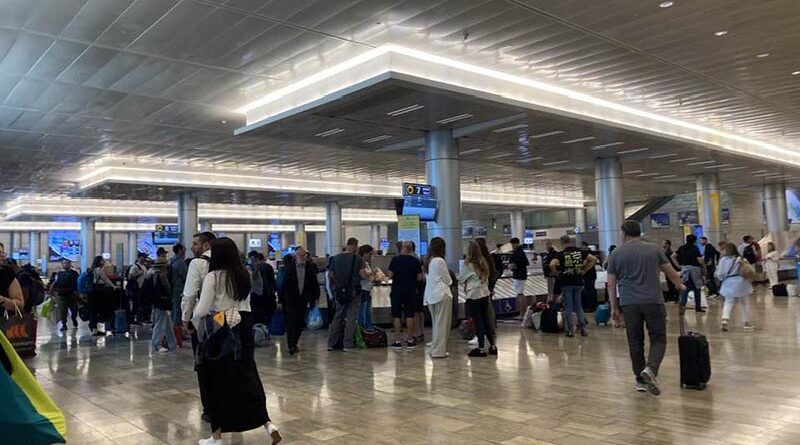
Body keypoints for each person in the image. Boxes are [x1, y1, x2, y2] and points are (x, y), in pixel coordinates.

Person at [191, 238, 281, 445]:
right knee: (248, 377)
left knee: (216, 383)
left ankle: (217, 437)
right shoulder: (245, 274)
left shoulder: (213, 277)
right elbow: (246, 304)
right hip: (244, 326)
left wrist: (193, 319)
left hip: (221, 328)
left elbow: (203, 309)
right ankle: (268, 425)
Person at [607, 221, 685, 396]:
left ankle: (640, 380)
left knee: (635, 342)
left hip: (629, 303)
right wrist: (679, 285)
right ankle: (650, 369)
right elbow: (670, 271)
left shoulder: (616, 253)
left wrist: (614, 308)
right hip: (653, 301)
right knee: (658, 339)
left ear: (624, 233)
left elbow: (611, 284)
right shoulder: (654, 249)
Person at [181, 231, 216, 423]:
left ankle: (209, 410)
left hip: (203, 322)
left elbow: (189, 294)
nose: (192, 247)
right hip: (226, 320)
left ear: (206, 245)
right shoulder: (228, 263)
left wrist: (185, 318)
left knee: (204, 365)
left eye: (195, 243)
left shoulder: (197, 263)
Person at [549, 235, 597, 337]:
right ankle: (583, 329)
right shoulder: (579, 252)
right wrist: (584, 270)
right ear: (571, 242)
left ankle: (570, 330)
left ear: (562, 243)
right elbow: (593, 259)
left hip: (566, 283)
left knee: (569, 307)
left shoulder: (561, 254)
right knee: (579, 306)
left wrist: (557, 273)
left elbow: (552, 265)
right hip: (578, 281)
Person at [327, 238, 367, 352]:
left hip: (339, 291)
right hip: (354, 292)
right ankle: (347, 344)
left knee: (338, 317)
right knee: (351, 317)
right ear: (355, 245)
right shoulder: (357, 258)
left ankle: (331, 343)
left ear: (346, 245)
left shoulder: (334, 258)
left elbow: (330, 275)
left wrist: (339, 284)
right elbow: (363, 275)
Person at [278, 247, 320, 355]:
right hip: (291, 300)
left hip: (304, 299)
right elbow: (283, 286)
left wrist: (316, 298)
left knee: (300, 322)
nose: (302, 257)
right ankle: (291, 345)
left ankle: (295, 342)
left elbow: (314, 284)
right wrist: (280, 300)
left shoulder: (310, 268)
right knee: (291, 322)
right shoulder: (289, 269)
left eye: (304, 255)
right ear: (296, 256)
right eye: (300, 255)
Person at [459, 241, 497, 357]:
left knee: (478, 321)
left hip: (473, 294)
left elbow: (461, 279)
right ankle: (492, 346)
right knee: (486, 320)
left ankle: (480, 348)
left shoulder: (468, 265)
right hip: (484, 293)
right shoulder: (483, 262)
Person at [386, 241, 422, 350]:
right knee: (409, 315)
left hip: (397, 291)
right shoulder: (415, 261)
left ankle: (397, 341)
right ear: (411, 249)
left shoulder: (395, 260)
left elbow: (390, 275)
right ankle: (410, 340)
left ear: (402, 248)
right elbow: (420, 278)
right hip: (411, 291)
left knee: (396, 315)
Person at [716, 242, 755, 332]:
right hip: (742, 282)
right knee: (744, 303)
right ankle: (746, 323)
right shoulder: (741, 259)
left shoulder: (723, 260)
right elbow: (749, 271)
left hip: (729, 282)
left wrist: (722, 279)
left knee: (728, 302)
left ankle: (725, 321)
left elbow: (720, 274)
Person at [424, 237, 452, 359]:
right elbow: (448, 280)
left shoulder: (428, 261)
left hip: (431, 296)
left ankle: (434, 348)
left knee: (436, 324)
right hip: (442, 294)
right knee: (442, 324)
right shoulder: (440, 261)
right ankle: (439, 351)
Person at [146, 257, 176, 353]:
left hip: (158, 303)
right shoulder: (162, 276)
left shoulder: (154, 275)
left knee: (167, 325)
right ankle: (156, 345)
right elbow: (166, 290)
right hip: (161, 303)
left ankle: (172, 344)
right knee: (159, 324)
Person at [672, 234, 706, 313]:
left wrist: (678, 266)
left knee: (685, 289)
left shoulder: (681, 248)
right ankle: (698, 307)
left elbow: (673, 256)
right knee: (697, 289)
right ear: (695, 241)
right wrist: (704, 265)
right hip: (694, 271)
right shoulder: (695, 249)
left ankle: (682, 306)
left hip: (685, 270)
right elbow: (700, 261)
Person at [89, 255, 120, 337]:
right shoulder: (99, 270)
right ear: (99, 261)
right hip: (100, 292)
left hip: (93, 292)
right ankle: (111, 327)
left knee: (94, 311)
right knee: (107, 309)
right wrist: (114, 286)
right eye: (102, 260)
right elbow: (105, 279)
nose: (104, 261)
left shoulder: (92, 270)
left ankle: (94, 329)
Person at [48, 259, 79, 332]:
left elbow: (77, 283)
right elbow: (54, 283)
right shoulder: (58, 274)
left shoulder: (74, 273)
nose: (66, 264)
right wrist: (50, 293)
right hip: (61, 295)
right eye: (64, 263)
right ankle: (64, 324)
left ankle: (73, 318)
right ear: (62, 264)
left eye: (67, 263)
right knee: (62, 311)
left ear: (70, 264)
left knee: (74, 310)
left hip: (72, 295)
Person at [248, 252, 277, 327]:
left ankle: (260, 330)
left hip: (257, 295)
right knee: (267, 315)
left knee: (258, 316)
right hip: (268, 294)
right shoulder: (268, 266)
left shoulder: (253, 268)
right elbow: (272, 281)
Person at [0, 242, 24, 317]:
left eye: (2, 253)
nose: (2, 256)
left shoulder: (6, 274)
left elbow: (20, 304)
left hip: (3, 322)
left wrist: (2, 300)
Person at [357, 245, 377, 331]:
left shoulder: (367, 263)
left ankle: (368, 328)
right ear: (364, 253)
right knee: (362, 312)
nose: (370, 256)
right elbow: (363, 276)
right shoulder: (360, 263)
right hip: (362, 289)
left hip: (367, 289)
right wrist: (373, 272)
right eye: (369, 254)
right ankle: (361, 330)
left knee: (367, 311)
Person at [127, 252, 148, 325]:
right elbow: (130, 276)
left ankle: (140, 318)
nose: (144, 259)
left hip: (142, 287)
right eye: (143, 257)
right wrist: (139, 273)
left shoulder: (143, 266)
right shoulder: (135, 267)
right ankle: (132, 318)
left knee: (140, 303)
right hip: (136, 288)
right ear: (139, 258)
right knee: (136, 303)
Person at [169, 244, 188, 327]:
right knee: (178, 309)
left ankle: (173, 327)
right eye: (184, 249)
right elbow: (185, 276)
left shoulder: (171, 261)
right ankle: (177, 330)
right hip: (179, 288)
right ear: (180, 250)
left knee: (174, 308)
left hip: (172, 288)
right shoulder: (180, 262)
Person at [509, 237, 530, 309]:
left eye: (512, 244)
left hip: (518, 275)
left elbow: (512, 265)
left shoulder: (516, 253)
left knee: (520, 294)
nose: (512, 246)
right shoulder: (522, 252)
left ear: (515, 244)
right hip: (523, 274)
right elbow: (527, 263)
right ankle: (523, 313)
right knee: (521, 294)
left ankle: (522, 314)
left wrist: (510, 267)